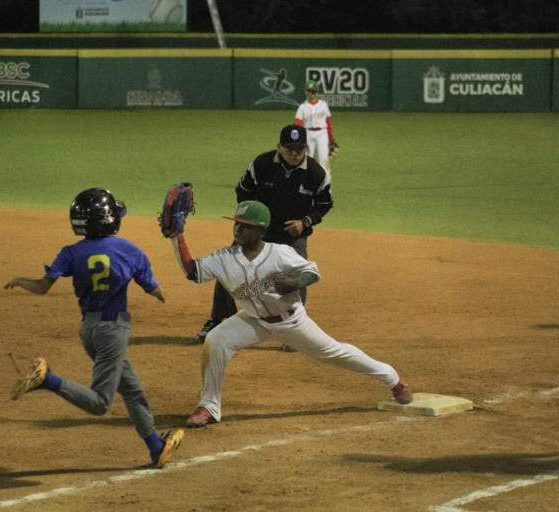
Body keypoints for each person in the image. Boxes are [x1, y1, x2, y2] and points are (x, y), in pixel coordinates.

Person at [168, 200, 412, 428]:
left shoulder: (279, 253)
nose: (237, 230)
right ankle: (208, 407)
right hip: (254, 320)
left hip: (291, 322)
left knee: (334, 353)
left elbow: (312, 272)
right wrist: (176, 236)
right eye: (236, 224)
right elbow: (193, 271)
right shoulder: (224, 258)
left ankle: (392, 379)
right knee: (216, 340)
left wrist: (295, 281)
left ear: (260, 230)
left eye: (245, 226)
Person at [5, 187, 184, 468]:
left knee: (132, 388)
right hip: (113, 330)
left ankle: (155, 447)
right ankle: (47, 379)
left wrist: (20, 280)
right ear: (109, 219)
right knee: (101, 402)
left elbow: (42, 287)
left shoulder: (71, 253)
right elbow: (152, 287)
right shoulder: (128, 250)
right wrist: (162, 295)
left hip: (88, 330)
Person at [196, 124, 333, 353]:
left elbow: (324, 204)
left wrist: (305, 222)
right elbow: (243, 190)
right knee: (229, 270)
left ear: (306, 148)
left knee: (298, 276)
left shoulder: (316, 174)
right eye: (289, 148)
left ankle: (295, 332)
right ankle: (218, 320)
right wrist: (254, 216)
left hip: (292, 235)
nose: (295, 153)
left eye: (299, 149)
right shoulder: (262, 164)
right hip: (257, 232)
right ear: (279, 147)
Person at [294, 80, 339, 174]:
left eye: (313, 91)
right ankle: (307, 185)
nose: (311, 93)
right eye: (309, 91)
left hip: (322, 134)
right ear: (306, 92)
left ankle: (327, 187)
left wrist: (331, 139)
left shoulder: (323, 105)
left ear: (317, 92)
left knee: (323, 160)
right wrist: (299, 141)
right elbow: (297, 126)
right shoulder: (302, 107)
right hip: (308, 134)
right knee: (307, 161)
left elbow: (328, 123)